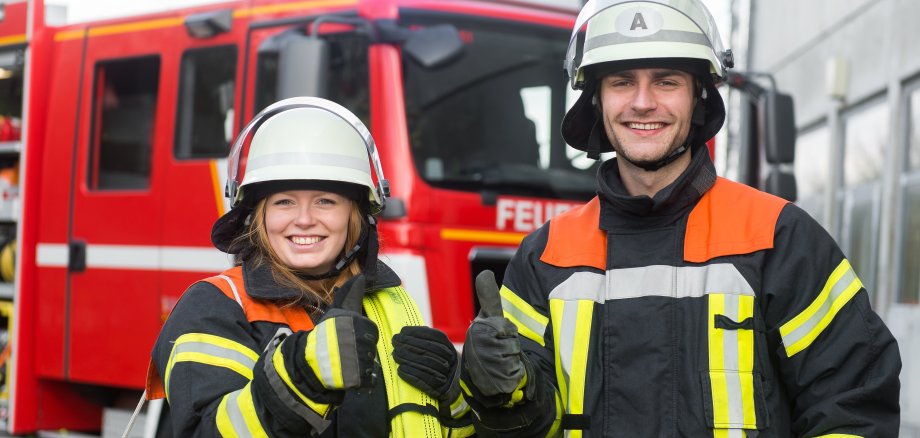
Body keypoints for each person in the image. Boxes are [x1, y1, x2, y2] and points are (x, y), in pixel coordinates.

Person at [459, 0, 901, 437]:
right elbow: (526, 425)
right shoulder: (545, 255)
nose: (643, 102)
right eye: (621, 81)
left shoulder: (777, 238)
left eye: (666, 81)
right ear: (595, 99)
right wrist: (504, 394)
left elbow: (852, 407)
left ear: (699, 96)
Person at [146, 97, 473, 437]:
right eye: (284, 202)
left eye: (325, 201)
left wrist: (461, 397)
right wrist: (300, 379)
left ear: (355, 216)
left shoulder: (391, 304)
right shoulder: (216, 307)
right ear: (259, 216)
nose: (304, 220)